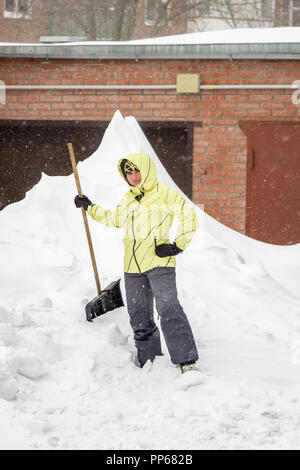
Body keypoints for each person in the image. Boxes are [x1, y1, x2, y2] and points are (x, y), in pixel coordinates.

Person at [74, 152, 199, 374]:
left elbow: (189, 215)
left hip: (160, 263)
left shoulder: (165, 194)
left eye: (137, 170)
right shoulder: (128, 199)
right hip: (132, 267)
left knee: (168, 307)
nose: (133, 176)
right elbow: (114, 219)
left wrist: (177, 245)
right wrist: (90, 207)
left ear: (147, 169)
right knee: (138, 314)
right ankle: (149, 360)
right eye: (128, 172)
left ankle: (186, 361)